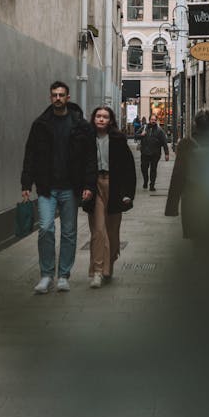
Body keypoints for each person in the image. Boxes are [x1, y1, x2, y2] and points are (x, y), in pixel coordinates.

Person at [21, 81, 96, 294]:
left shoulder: (80, 125)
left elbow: (91, 158)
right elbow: (30, 155)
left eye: (61, 95)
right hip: (47, 187)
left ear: (68, 97)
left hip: (70, 188)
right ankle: (46, 275)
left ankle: (63, 275)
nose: (57, 98)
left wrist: (89, 184)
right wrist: (26, 183)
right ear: (50, 97)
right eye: (54, 95)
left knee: (69, 232)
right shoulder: (40, 124)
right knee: (45, 228)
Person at [86, 106, 136, 288]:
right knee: (98, 230)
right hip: (94, 185)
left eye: (105, 117)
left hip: (114, 186)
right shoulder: (87, 139)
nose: (101, 119)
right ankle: (98, 272)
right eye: (98, 116)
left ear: (111, 120)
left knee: (113, 233)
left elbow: (129, 168)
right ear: (93, 118)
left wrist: (128, 194)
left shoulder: (118, 139)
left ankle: (110, 261)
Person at [164, 109, 209, 238]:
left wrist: (172, 207)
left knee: (195, 240)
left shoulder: (186, 144)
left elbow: (178, 175)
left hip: (191, 198)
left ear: (195, 124)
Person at [136, 113, 169, 191]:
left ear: (156, 120)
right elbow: (135, 135)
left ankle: (152, 185)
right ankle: (145, 181)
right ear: (149, 120)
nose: (153, 121)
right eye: (152, 119)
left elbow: (164, 142)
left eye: (154, 120)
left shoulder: (159, 130)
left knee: (153, 169)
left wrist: (166, 153)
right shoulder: (144, 128)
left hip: (155, 153)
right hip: (145, 153)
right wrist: (141, 135)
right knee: (144, 168)